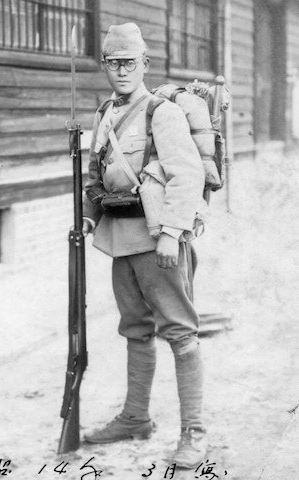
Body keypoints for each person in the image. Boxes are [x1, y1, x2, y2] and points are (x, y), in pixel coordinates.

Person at [82, 22, 207, 469]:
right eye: (113, 63)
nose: (121, 71)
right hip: (120, 239)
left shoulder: (162, 113)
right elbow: (96, 176)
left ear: (144, 65)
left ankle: (195, 431)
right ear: (104, 67)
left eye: (129, 63)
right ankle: (135, 417)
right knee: (135, 328)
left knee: (179, 331)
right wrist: (87, 218)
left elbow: (186, 175)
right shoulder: (104, 113)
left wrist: (173, 233)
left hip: (159, 240)